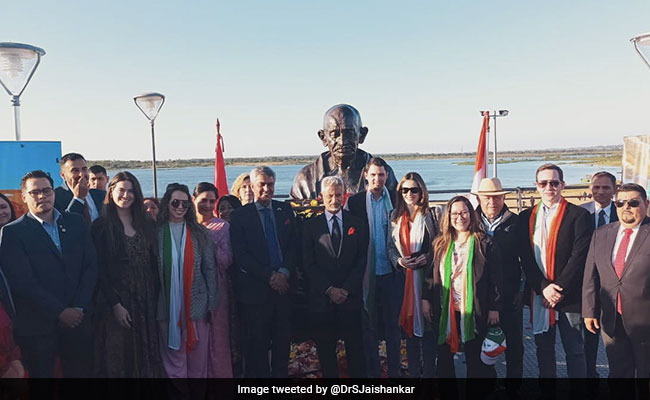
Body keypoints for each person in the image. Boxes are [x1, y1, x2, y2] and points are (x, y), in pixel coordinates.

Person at [0, 170, 97, 378]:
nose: (42, 196)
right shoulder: (12, 232)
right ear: (24, 196)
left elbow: (90, 266)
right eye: (35, 192)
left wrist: (78, 307)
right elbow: (22, 281)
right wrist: (60, 312)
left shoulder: (76, 223)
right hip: (38, 328)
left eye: (46, 190)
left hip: (78, 323)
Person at [519, 163, 592, 379]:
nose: (549, 187)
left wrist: (556, 289)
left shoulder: (579, 215)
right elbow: (525, 258)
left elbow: (579, 257)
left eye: (554, 182)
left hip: (568, 296)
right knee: (543, 350)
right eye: (544, 183)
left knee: (575, 350)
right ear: (536, 186)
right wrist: (543, 288)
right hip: (539, 295)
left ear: (563, 185)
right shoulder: (526, 218)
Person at [91, 172, 164, 378]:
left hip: (146, 298)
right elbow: (99, 269)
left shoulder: (147, 222)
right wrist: (115, 304)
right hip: (116, 300)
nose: (126, 195)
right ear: (111, 191)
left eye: (131, 191)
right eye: (121, 190)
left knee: (145, 355)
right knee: (119, 355)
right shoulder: (101, 227)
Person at [230, 166, 298, 378]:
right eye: (262, 185)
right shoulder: (240, 216)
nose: (267, 189)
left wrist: (285, 272)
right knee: (256, 349)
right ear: (252, 185)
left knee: (282, 344)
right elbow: (241, 255)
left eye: (271, 185)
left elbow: (294, 246)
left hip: (283, 290)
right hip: (255, 293)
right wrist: (270, 276)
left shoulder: (285, 210)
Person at [426, 195, 501, 381]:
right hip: (446, 310)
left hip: (474, 310)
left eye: (464, 212)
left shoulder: (484, 243)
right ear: (448, 217)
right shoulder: (439, 244)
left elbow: (496, 279)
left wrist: (494, 307)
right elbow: (430, 276)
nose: (460, 217)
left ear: (471, 215)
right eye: (455, 213)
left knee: (475, 360)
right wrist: (424, 299)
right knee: (444, 359)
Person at [302, 176, 368, 378]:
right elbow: (307, 264)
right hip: (323, 300)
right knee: (326, 351)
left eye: (338, 195)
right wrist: (330, 290)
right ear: (322, 197)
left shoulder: (357, 224)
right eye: (330, 195)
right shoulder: (310, 226)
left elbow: (361, 261)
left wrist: (346, 289)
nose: (334, 199)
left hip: (351, 299)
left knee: (356, 351)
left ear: (344, 196)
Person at [583, 183, 650, 379]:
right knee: (619, 375)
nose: (626, 207)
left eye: (633, 202)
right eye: (620, 203)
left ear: (646, 203)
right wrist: (589, 311)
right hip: (612, 321)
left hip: (645, 323)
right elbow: (591, 276)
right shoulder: (602, 234)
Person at [346, 157, 401, 378]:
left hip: (391, 272)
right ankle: (373, 375)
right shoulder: (356, 203)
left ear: (386, 176)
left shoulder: (397, 200)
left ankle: (395, 374)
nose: (377, 179)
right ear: (366, 176)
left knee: (393, 328)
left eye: (381, 174)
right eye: (373, 175)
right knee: (368, 328)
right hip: (366, 274)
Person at [156, 183, 218, 378]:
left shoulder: (201, 234)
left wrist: (212, 303)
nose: (180, 207)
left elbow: (209, 269)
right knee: (173, 365)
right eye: (176, 202)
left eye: (185, 204)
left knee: (197, 365)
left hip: (198, 308)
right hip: (166, 309)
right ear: (167, 203)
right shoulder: (155, 235)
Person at [473, 178, 524, 384]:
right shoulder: (471, 222)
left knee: (514, 345)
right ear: (479, 198)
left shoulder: (516, 222)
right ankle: (488, 385)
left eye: (496, 197)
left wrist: (522, 290)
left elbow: (525, 257)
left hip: (510, 293)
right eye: (487, 197)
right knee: (481, 345)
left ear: (503, 197)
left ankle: (514, 387)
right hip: (479, 295)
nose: (492, 201)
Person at [387, 172, 438, 378]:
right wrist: (399, 261)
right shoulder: (394, 216)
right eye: (405, 190)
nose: (409, 194)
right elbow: (390, 247)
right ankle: (415, 373)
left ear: (421, 191)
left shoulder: (432, 215)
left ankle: (430, 374)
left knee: (428, 328)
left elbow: (440, 244)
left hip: (426, 280)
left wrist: (428, 257)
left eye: (414, 190)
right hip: (404, 280)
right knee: (408, 331)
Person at [291, 104, 397, 199]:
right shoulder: (305, 178)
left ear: (362, 135)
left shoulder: (382, 172)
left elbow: (398, 208)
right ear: (323, 137)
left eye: (349, 133)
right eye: (334, 134)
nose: (342, 141)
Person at [192, 182, 234, 378]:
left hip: (217, 290)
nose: (208, 205)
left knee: (218, 341)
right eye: (203, 200)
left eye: (212, 201)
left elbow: (226, 261)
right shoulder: (185, 226)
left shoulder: (223, 227)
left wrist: (208, 241)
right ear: (194, 200)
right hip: (191, 291)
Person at [580, 171, 618, 379]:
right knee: (588, 335)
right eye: (596, 187)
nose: (600, 191)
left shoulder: (622, 212)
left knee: (615, 338)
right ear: (590, 189)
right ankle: (589, 375)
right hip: (587, 284)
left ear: (614, 190)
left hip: (615, 284)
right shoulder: (580, 213)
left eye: (606, 187)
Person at [54, 153, 106, 224]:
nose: (81, 174)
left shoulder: (100, 195)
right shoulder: (55, 197)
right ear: (63, 175)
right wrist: (78, 199)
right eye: (75, 170)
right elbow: (63, 224)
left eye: (84, 169)